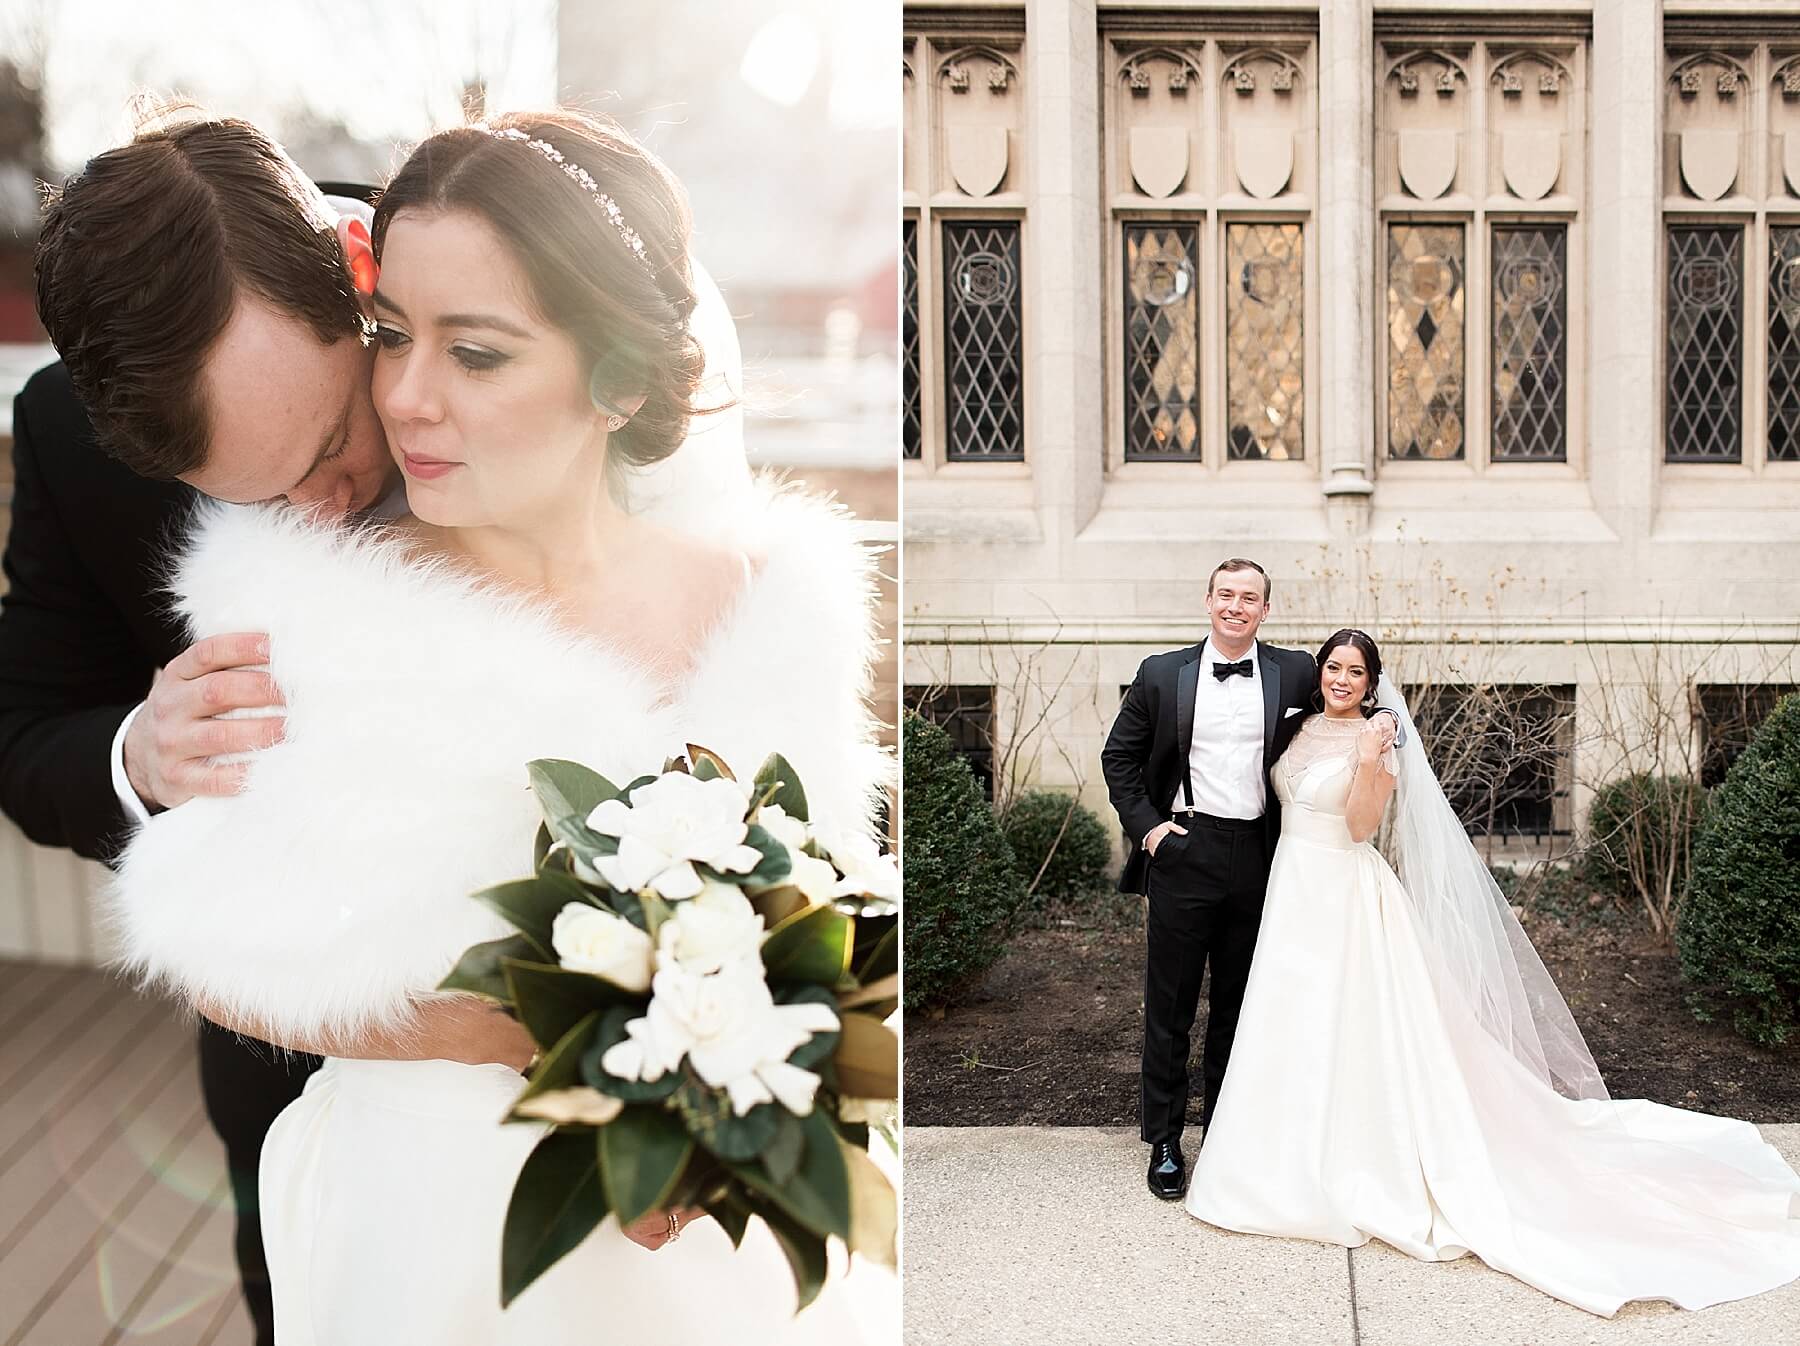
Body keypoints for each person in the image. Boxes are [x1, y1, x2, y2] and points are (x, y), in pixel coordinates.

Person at [100, 109, 887, 1342]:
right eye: (392, 336)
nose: (405, 398)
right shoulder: (309, 610)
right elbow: (221, 949)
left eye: (475, 354)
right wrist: (523, 1028)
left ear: (620, 377)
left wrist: (733, 1081)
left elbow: (822, 923)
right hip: (431, 1230)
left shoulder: (765, 612)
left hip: (699, 1248)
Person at [1185, 628, 1800, 1314]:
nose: (1342, 679)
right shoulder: (1294, 728)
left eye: (1357, 672)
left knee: (1352, 1028)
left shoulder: (1379, 744)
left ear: (1372, 682)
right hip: (1290, 895)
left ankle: (1350, 1167)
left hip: (1344, 895)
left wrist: (1368, 757)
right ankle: (1274, 1160)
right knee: (1288, 1027)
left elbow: (1359, 828)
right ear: (1319, 672)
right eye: (1334, 666)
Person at [1099, 559, 1331, 1200]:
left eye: (1248, 598)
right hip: (1184, 847)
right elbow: (1118, 758)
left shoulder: (1297, 672)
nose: (1236, 606)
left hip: (1259, 852)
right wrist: (1148, 829)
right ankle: (1166, 1140)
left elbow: (1342, 706)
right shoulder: (1160, 674)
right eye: (1225, 595)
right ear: (1207, 601)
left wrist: (1379, 732)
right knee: (1170, 1004)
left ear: (1265, 610)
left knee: (1240, 1002)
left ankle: (1228, 1132)